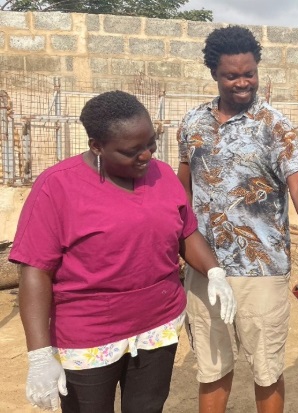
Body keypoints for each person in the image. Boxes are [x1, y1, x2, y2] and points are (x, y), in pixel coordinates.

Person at [10, 90, 236, 413]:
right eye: (133, 151)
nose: (146, 156)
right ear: (97, 146)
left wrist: (214, 272)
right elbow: (34, 272)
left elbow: (186, 232)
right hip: (88, 337)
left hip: (156, 329)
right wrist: (39, 355)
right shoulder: (56, 188)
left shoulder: (162, 177)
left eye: (151, 144)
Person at [176, 25, 298, 413]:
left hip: (262, 267)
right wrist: (176, 240)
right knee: (211, 366)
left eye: (249, 73)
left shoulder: (275, 126)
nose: (242, 83)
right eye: (231, 75)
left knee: (266, 369)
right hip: (204, 266)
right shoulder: (193, 123)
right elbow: (183, 185)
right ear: (214, 74)